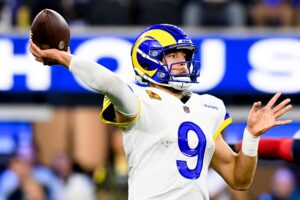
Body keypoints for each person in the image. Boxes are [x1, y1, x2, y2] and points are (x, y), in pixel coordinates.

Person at [29, 24, 293, 200]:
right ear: (148, 58)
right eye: (173, 55)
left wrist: (251, 137)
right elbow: (110, 83)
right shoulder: (139, 100)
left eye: (184, 56)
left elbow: (239, 179)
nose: (182, 62)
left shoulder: (209, 107)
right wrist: (65, 58)